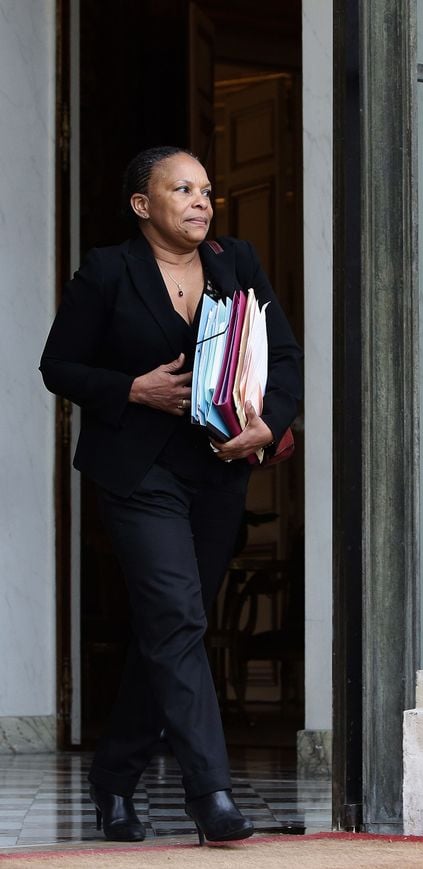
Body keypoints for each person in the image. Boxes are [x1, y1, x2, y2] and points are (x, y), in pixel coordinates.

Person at [40, 145, 302, 846]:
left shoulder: (236, 262)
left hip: (216, 469)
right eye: (181, 188)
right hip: (136, 472)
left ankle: (115, 776)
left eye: (206, 190)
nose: (200, 201)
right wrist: (132, 387)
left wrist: (268, 425)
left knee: (171, 627)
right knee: (179, 619)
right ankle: (209, 793)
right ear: (141, 204)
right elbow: (57, 365)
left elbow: (284, 354)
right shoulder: (106, 271)